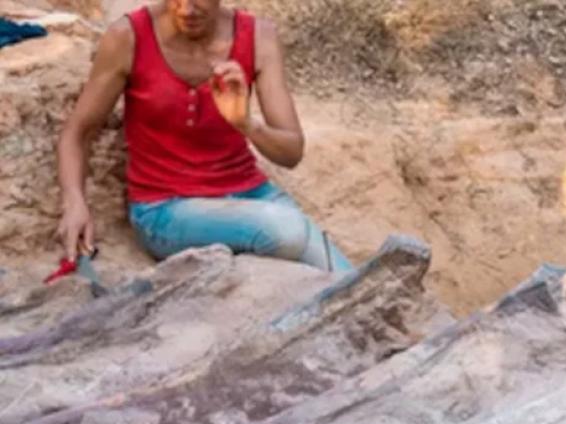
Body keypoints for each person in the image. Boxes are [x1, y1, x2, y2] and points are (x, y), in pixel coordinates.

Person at [55, 0, 352, 272]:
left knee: (346, 276)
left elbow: (291, 153)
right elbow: (78, 132)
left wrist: (245, 123)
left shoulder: (258, 36)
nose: (186, 10)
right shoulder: (129, 36)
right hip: (164, 210)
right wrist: (74, 203)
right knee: (288, 230)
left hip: (252, 194)